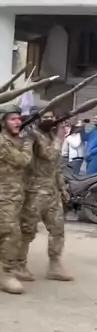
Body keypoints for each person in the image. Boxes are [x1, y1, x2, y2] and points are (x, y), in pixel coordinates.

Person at [17, 110, 72, 282]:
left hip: (52, 191)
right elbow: (49, 155)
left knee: (57, 229)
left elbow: (56, 166)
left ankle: (55, 265)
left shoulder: (51, 135)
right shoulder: (32, 135)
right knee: (27, 230)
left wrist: (62, 187)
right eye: (45, 117)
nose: (49, 120)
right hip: (34, 191)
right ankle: (19, 265)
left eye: (52, 117)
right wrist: (60, 138)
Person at [0, 106, 33, 294]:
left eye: (19, 119)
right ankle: (6, 274)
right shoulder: (2, 142)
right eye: (12, 119)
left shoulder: (14, 140)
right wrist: (28, 142)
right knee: (11, 234)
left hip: (14, 196)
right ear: (3, 122)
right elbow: (22, 161)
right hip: (4, 197)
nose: (18, 122)